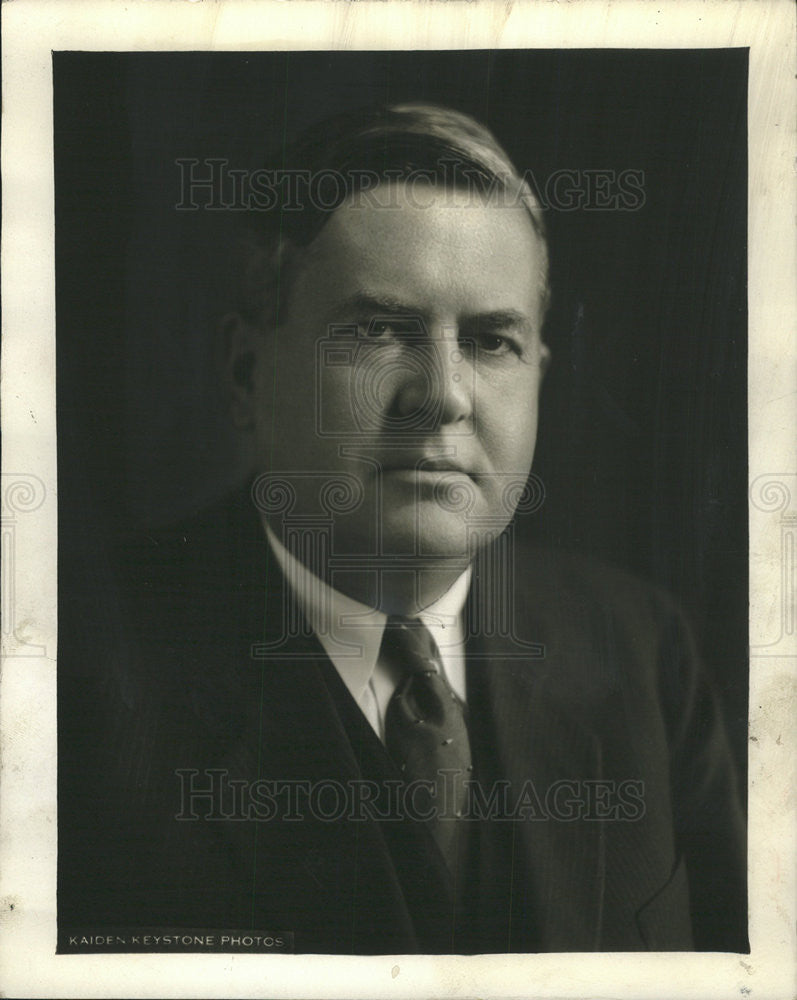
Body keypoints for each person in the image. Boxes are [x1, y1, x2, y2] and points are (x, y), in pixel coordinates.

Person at [58, 103, 747, 954]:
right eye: (378, 331)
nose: (443, 395)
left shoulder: (644, 655)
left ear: (537, 375)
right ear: (245, 372)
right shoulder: (71, 685)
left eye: (492, 341)